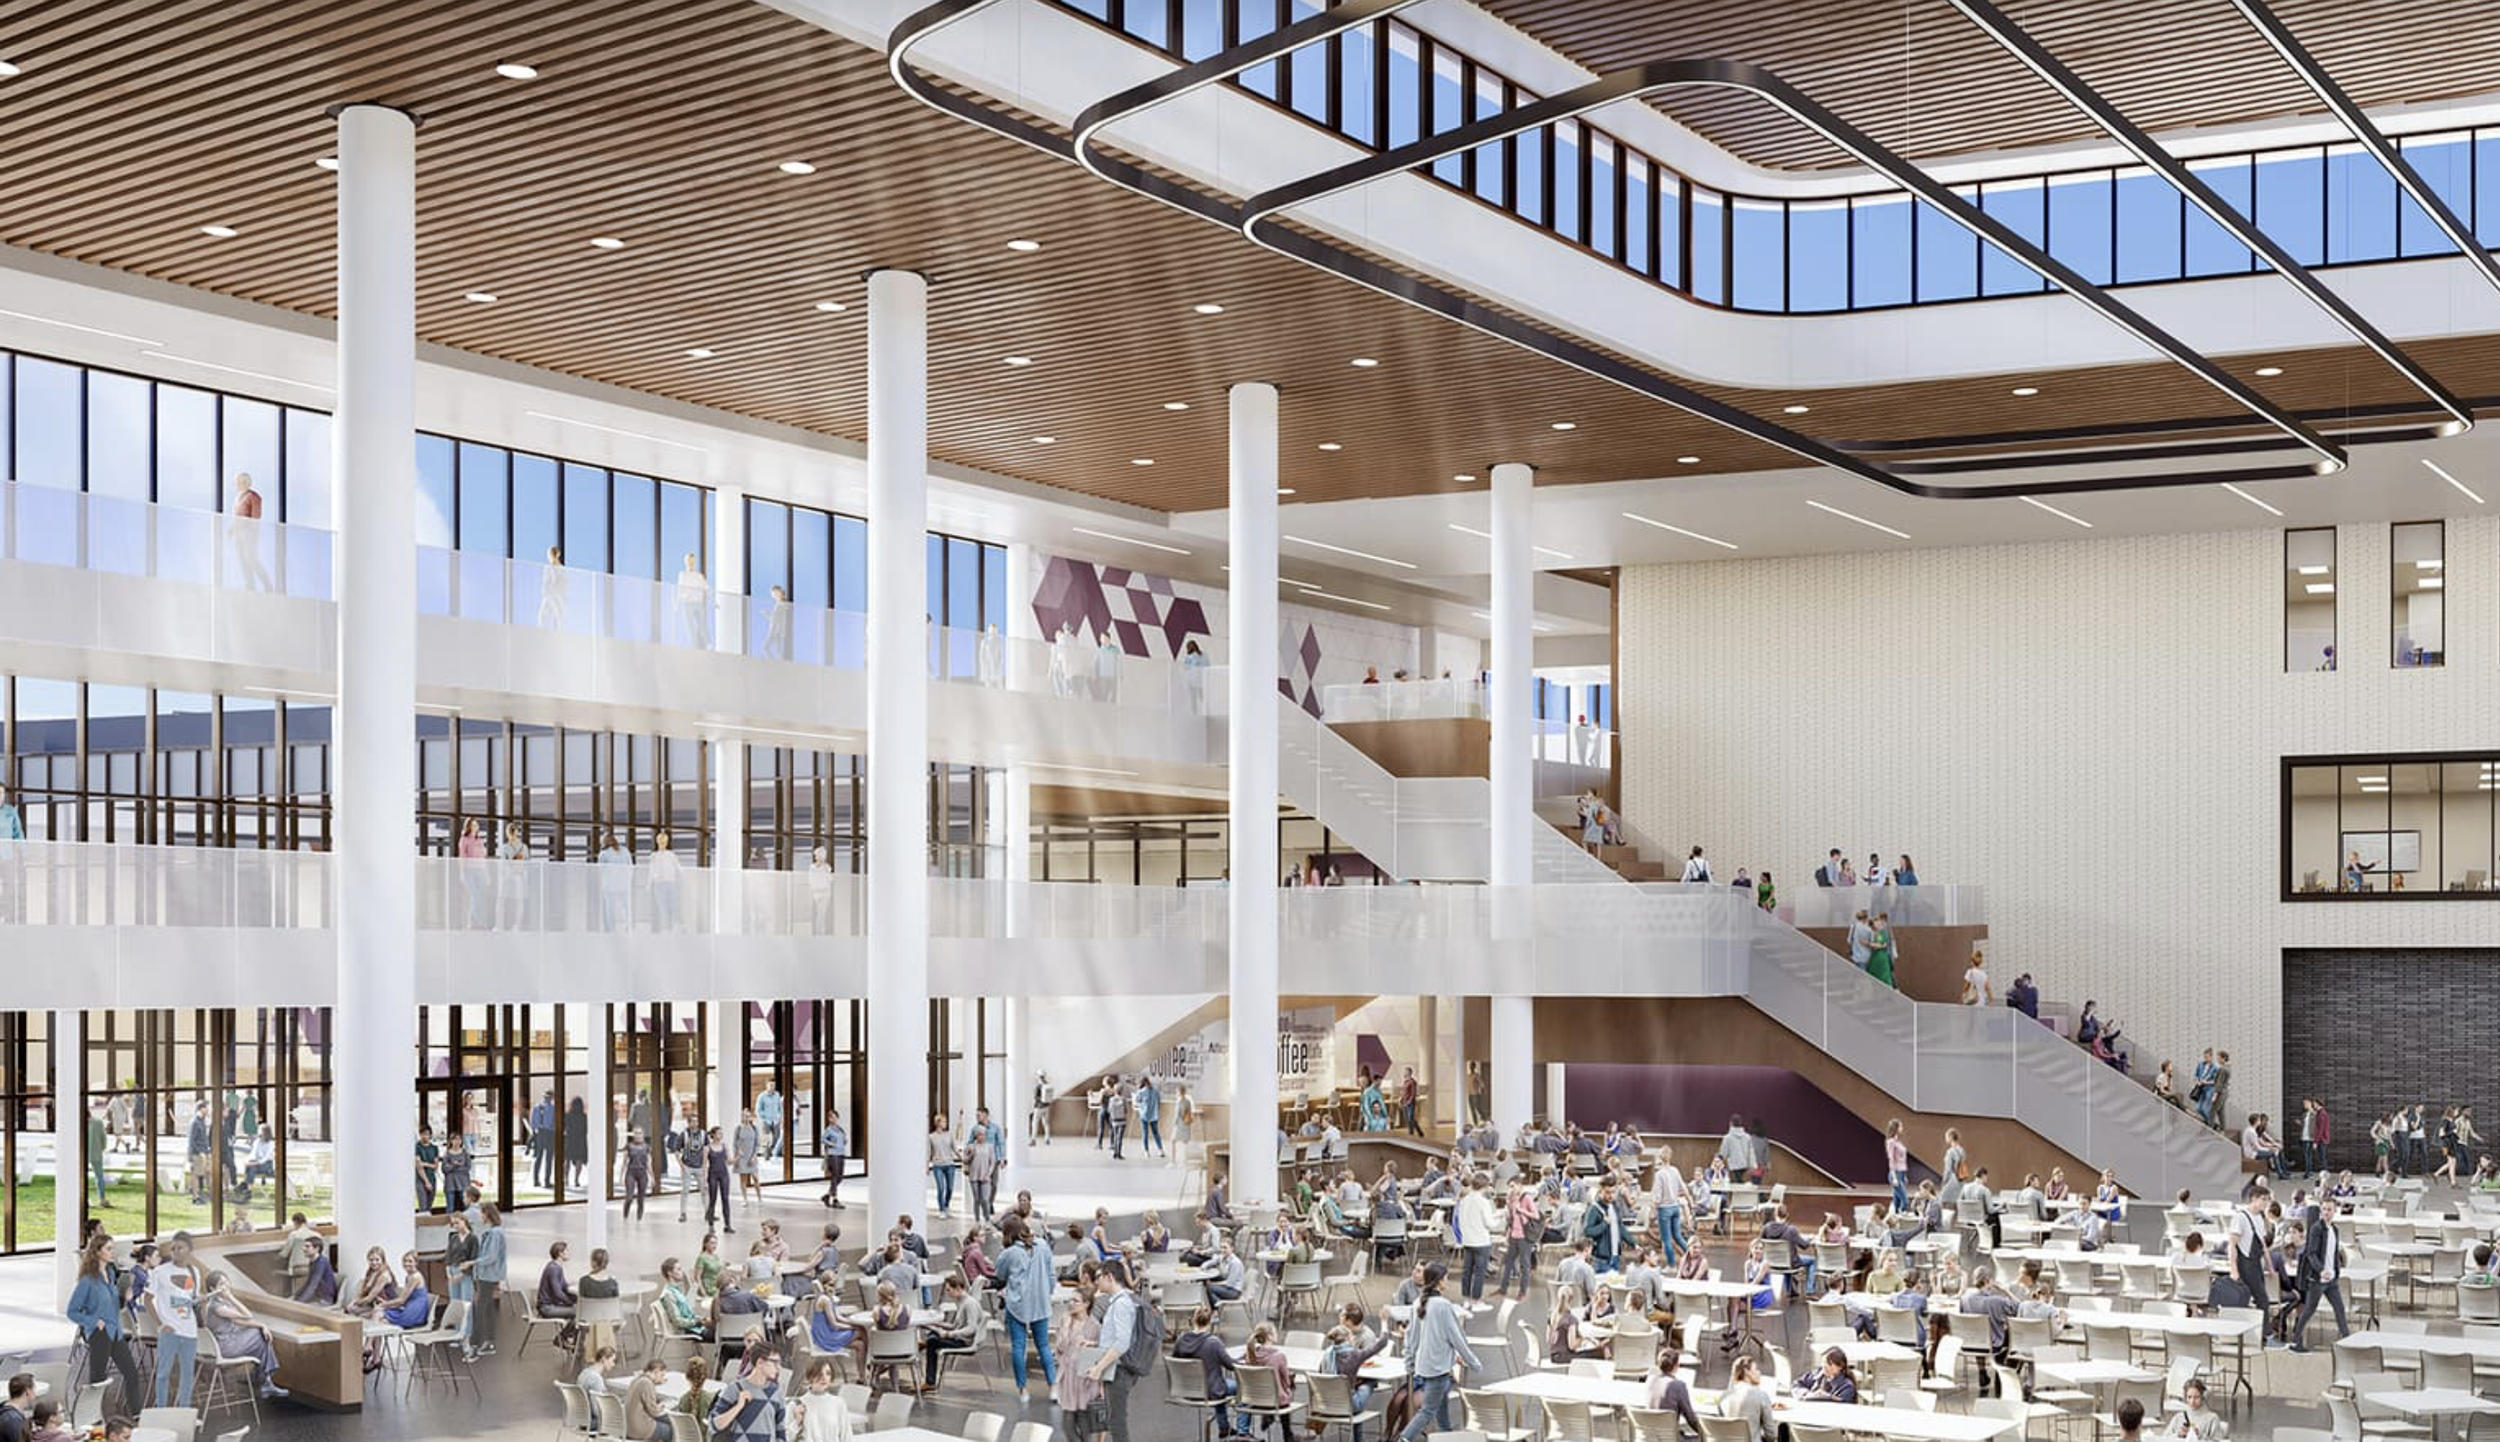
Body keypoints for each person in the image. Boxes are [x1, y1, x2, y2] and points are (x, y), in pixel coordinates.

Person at [1396, 1261, 1478, 1442]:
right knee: (1428, 1410)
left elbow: (1411, 1337)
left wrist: (1409, 1363)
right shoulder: (1443, 1305)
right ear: (1440, 1281)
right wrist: (1473, 1362)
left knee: (1441, 1403)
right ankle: (1404, 1438)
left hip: (1423, 1367)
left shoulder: (1419, 1302)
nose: (1447, 1281)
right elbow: (1456, 1337)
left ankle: (1446, 1433)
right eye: (1446, 1277)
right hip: (1438, 1368)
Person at [69, 1240, 144, 1415]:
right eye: (109, 1249)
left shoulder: (110, 1273)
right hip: (99, 1333)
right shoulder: (87, 1281)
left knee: (131, 1374)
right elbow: (72, 1311)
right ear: (97, 1252)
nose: (113, 1252)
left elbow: (114, 1306)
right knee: (98, 1379)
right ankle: (90, 1416)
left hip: (116, 1331)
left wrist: (125, 1297)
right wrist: (94, 1321)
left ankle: (137, 1414)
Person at [199, 1271, 288, 1399]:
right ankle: (262, 1380)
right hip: (225, 1348)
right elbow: (247, 1315)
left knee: (261, 1338)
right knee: (261, 1336)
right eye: (221, 1284)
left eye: (227, 1282)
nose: (226, 1286)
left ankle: (263, 1380)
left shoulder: (219, 1303)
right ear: (213, 1288)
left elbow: (239, 1320)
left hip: (225, 1344)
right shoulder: (216, 1306)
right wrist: (231, 1297)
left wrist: (262, 1325)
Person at [1085, 1266, 1148, 1442]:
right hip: (1117, 1368)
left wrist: (1099, 1367)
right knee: (1115, 1419)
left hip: (1119, 1370)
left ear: (1110, 1277)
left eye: (1100, 1277)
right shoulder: (1118, 1302)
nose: (1097, 1281)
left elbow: (1122, 1343)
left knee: (1117, 1422)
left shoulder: (1120, 1305)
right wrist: (1097, 1344)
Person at [998, 1216, 1057, 1395]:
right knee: (1044, 1345)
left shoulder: (1008, 1254)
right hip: (1041, 1302)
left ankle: (1023, 1390)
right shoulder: (1043, 1246)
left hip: (1018, 1304)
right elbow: (1051, 1275)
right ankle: (1053, 1387)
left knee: (1018, 1346)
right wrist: (1047, 1293)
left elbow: (1000, 1274)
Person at [2289, 1196, 2349, 1351]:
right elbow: (2311, 1254)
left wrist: (2335, 1270)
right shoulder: (2316, 1228)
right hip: (2318, 1279)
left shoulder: (2334, 1229)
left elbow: (2333, 1252)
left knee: (2340, 1309)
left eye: (2330, 1209)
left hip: (2332, 1279)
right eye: (2324, 1209)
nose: (2326, 1212)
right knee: (2309, 1309)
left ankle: (2347, 1340)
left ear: (2335, 1211)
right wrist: (2321, 1270)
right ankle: (2296, 1341)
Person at [148, 1232, 201, 1406]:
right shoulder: (160, 1272)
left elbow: (191, 1299)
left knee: (187, 1374)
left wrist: (201, 1300)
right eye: (173, 1248)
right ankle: (162, 1409)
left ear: (189, 1250)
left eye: (180, 1248)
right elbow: (147, 1299)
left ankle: (183, 1410)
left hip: (189, 1330)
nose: (176, 1251)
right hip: (170, 1330)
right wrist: (160, 1324)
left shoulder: (195, 1272)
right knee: (164, 1373)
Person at [923, 1275, 985, 1389]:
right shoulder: (962, 1301)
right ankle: (924, 1344)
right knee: (932, 1334)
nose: (948, 1293)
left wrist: (948, 1334)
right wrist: (936, 1324)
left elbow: (971, 1329)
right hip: (960, 1338)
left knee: (932, 1341)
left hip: (965, 1342)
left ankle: (930, 1382)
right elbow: (955, 1325)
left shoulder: (969, 1304)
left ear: (957, 1288)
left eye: (948, 1290)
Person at [709, 1349, 785, 1441]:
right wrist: (738, 1406)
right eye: (775, 1362)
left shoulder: (777, 1392)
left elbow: (781, 1431)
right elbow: (714, 1425)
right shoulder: (735, 1388)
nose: (779, 1367)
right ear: (760, 1362)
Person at [227, 471, 275, 591]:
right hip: (239, 533)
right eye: (238, 482)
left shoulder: (253, 496)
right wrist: (231, 530)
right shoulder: (238, 498)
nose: (238, 484)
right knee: (241, 558)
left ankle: (267, 584)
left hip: (248, 533)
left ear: (247, 483)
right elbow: (236, 516)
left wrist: (253, 532)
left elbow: (256, 517)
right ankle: (250, 584)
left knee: (250, 558)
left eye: (241, 482)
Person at [1719, 1354, 1775, 1441]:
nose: (1759, 1372)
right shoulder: (1761, 1395)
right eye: (1756, 1369)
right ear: (1747, 1371)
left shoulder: (1724, 1397)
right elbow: (1771, 1435)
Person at [622, 1357, 672, 1441]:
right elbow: (654, 1412)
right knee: (671, 1429)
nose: (662, 1378)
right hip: (639, 1429)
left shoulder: (637, 1379)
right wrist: (660, 1408)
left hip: (628, 1427)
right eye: (661, 1375)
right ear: (656, 1371)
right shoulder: (647, 1383)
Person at [676, 552, 712, 647]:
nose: (690, 563)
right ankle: (694, 645)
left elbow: (706, 588)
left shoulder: (698, 575)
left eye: (692, 560)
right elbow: (680, 589)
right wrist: (677, 602)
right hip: (688, 603)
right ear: (686, 562)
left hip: (698, 603)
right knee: (690, 626)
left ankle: (709, 644)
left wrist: (712, 600)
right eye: (689, 560)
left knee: (702, 625)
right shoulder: (683, 575)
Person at [928, 1112, 960, 1214]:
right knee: (941, 1188)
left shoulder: (949, 1135)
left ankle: (946, 1205)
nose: (945, 1123)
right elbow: (929, 1152)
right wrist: (926, 1165)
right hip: (937, 1166)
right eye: (944, 1121)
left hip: (950, 1165)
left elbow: (955, 1149)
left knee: (950, 1188)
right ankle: (941, 1210)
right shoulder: (931, 1137)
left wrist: (963, 1159)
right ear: (938, 1123)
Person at [734, 1107, 764, 1208]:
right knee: (743, 1180)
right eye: (745, 1116)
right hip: (742, 1157)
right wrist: (737, 1155)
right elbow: (735, 1143)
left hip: (752, 1156)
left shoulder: (754, 1128)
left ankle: (759, 1198)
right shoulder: (738, 1128)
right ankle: (744, 1199)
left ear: (751, 1117)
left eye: (748, 1116)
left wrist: (754, 1156)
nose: (746, 1118)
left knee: (755, 1178)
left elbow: (757, 1144)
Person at [821, 1109, 849, 1207]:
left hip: (841, 1154)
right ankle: (835, 1199)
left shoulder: (840, 1129)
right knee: (835, 1176)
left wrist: (845, 1141)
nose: (834, 1119)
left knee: (840, 1177)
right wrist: (831, 1143)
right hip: (833, 1155)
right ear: (829, 1119)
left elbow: (843, 1139)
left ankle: (827, 1195)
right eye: (831, 1117)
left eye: (835, 1116)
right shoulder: (829, 1129)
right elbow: (823, 1139)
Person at [1867, 912, 1897, 988]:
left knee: (1886, 975)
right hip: (1877, 958)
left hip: (1883, 957)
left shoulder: (1883, 931)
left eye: (1879, 921)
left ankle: (1893, 987)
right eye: (1877, 922)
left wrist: (1876, 945)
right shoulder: (1874, 933)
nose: (1879, 923)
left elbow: (1886, 944)